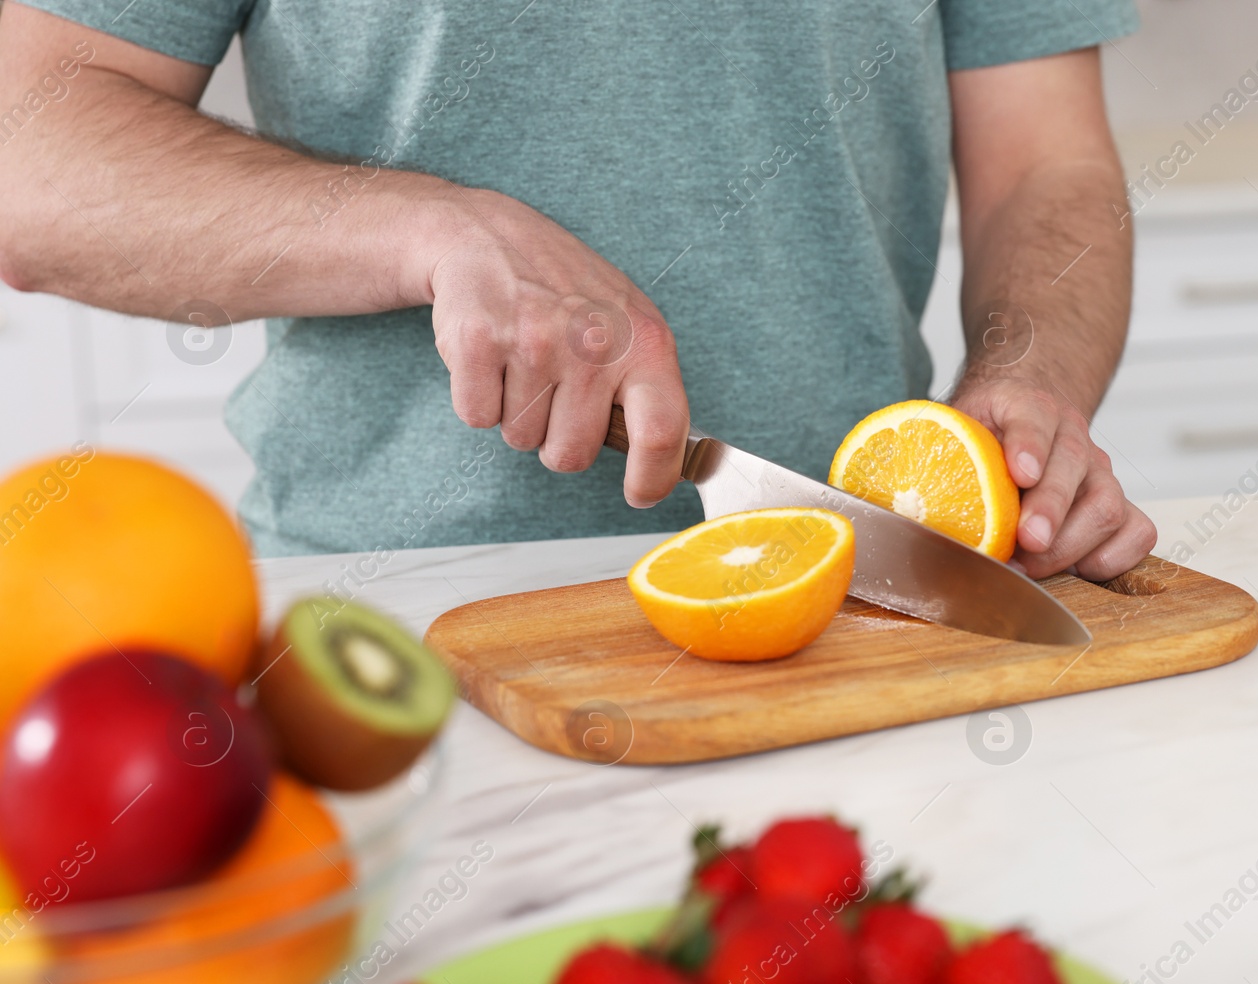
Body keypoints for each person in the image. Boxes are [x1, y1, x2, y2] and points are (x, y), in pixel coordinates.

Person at [0, 0, 1155, 580]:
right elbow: (26, 152)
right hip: (392, 629)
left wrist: (1028, 376)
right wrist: (425, 229)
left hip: (858, 602)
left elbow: (1047, 164)